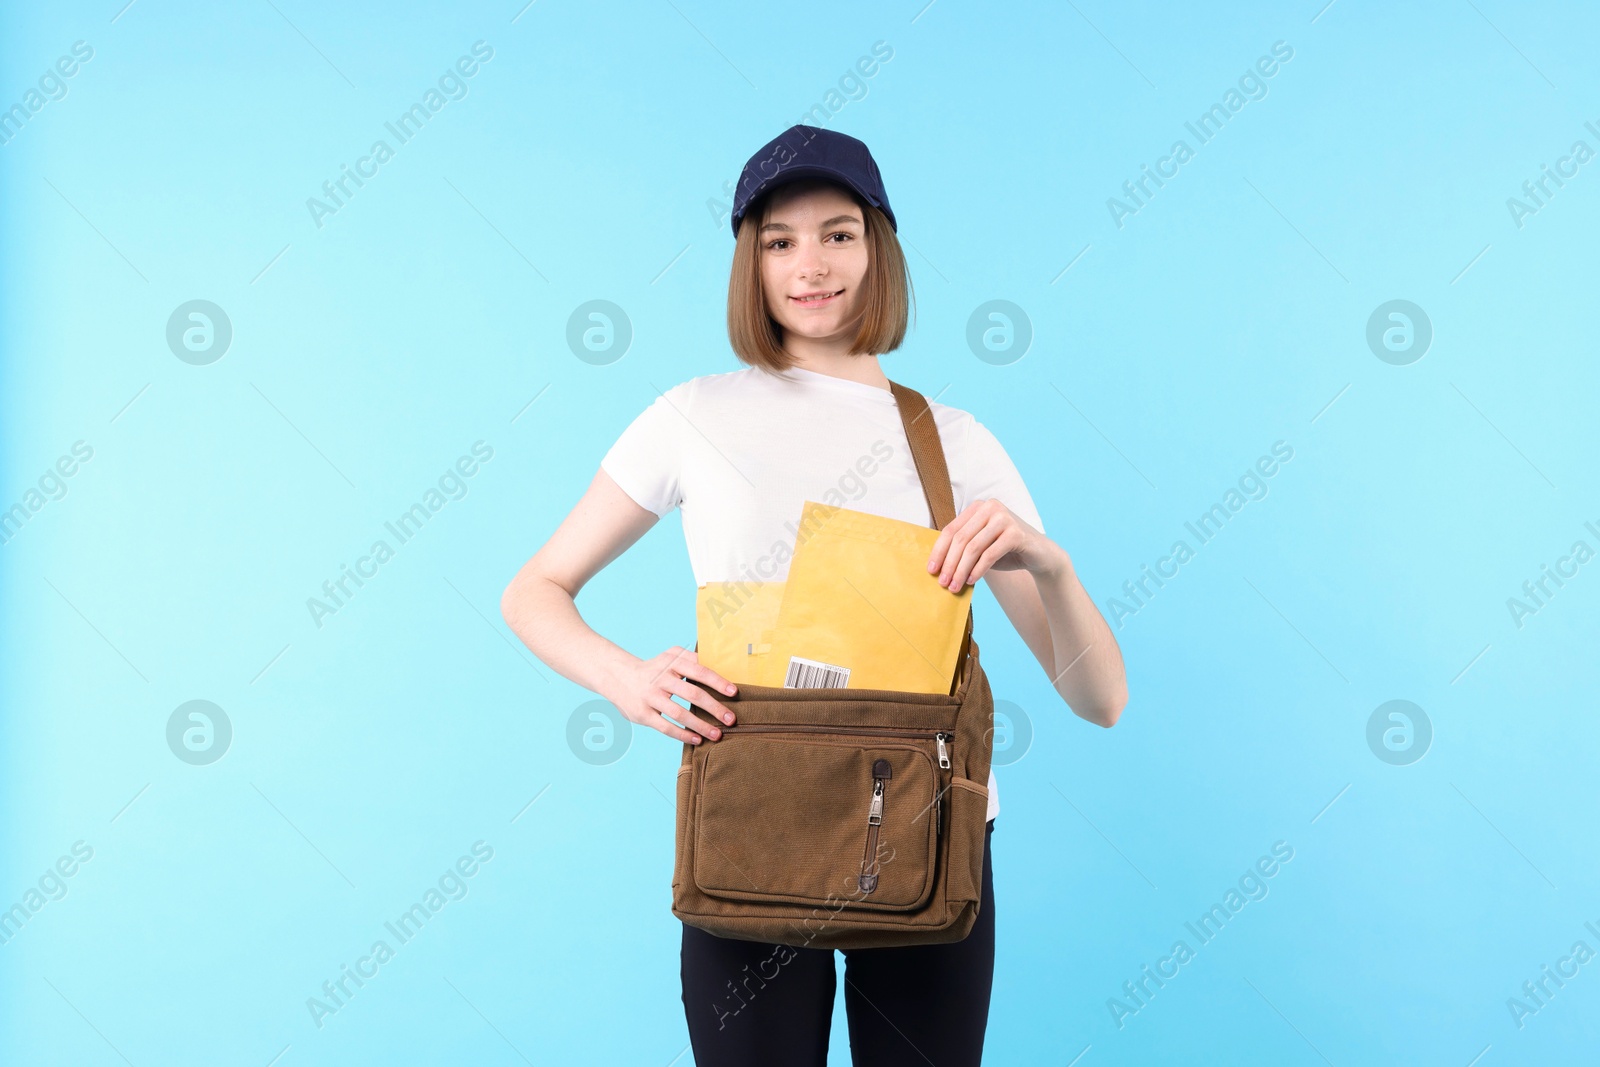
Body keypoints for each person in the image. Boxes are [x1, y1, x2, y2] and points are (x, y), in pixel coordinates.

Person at [500, 125, 1128, 1066]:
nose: (812, 266)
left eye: (838, 233)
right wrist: (628, 680)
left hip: (923, 830)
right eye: (779, 241)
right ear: (749, 264)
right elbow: (534, 589)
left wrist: (1049, 563)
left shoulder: (954, 441)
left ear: (879, 249)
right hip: (756, 817)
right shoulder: (693, 414)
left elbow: (1102, 699)